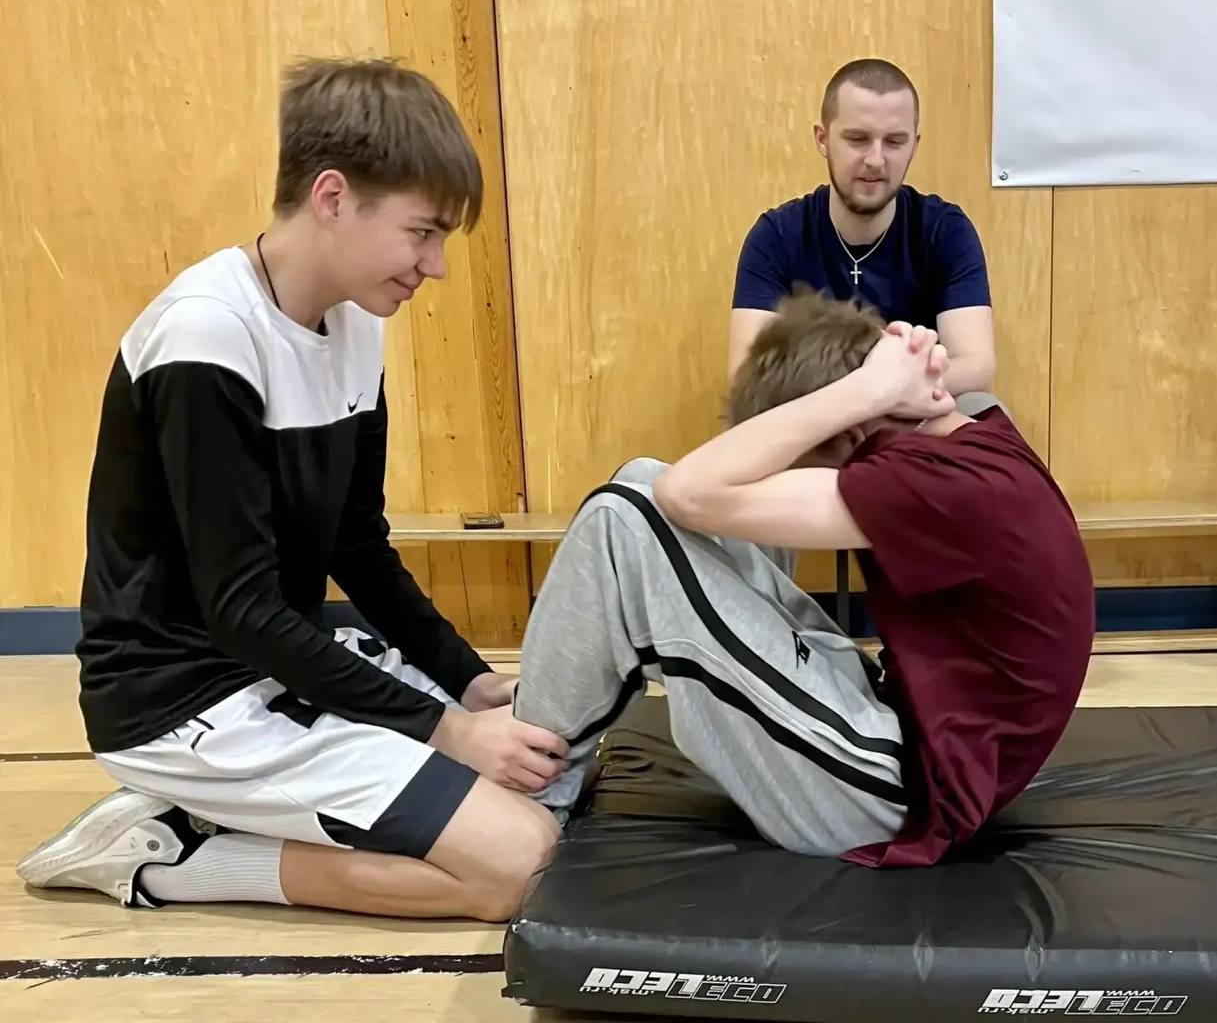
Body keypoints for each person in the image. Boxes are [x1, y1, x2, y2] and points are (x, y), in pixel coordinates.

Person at [17, 59, 566, 921]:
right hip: (179, 697)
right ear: (333, 197)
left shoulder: (355, 323)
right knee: (517, 865)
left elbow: (359, 546)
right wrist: (450, 735)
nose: (435, 266)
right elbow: (239, 608)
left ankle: (221, 817)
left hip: (279, 662)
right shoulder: (205, 335)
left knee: (547, 789)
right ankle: (172, 856)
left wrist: (466, 682)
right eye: (421, 233)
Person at [514, 290, 1094, 866]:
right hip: (903, 731)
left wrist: (866, 389)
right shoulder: (972, 437)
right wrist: (876, 383)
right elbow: (676, 489)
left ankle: (532, 784)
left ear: (854, 428)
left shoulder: (937, 484)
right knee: (642, 478)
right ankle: (547, 740)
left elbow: (687, 493)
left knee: (621, 518)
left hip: (892, 795)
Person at [729, 58, 1000, 416]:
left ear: (914, 145)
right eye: (858, 139)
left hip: (916, 417)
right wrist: (865, 392)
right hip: (816, 422)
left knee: (983, 407)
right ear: (823, 140)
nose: (875, 160)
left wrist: (883, 390)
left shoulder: (945, 230)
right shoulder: (775, 236)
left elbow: (977, 365)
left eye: (894, 142)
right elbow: (745, 374)